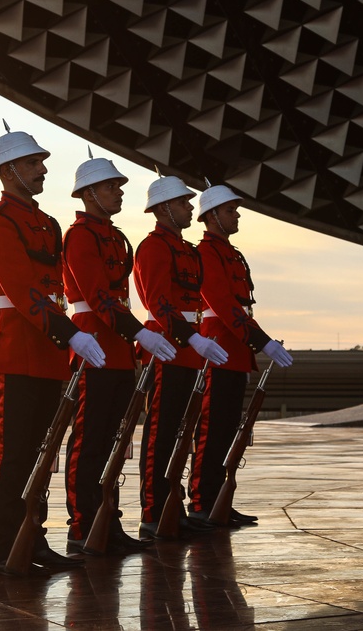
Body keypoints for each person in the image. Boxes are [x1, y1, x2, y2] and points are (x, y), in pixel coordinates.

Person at [0, 123, 107, 575]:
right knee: (10, 456)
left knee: (43, 453)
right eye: (33, 163)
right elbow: (21, 287)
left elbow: (51, 288)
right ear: (9, 170)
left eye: (40, 162)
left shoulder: (47, 223)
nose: (42, 169)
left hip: (49, 347)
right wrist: (70, 332)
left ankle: (32, 537)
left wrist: (64, 335)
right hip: (16, 343)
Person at [62, 151, 178, 553]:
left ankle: (107, 521)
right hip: (93, 344)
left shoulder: (113, 235)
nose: (119, 192)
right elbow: (96, 297)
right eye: (111, 186)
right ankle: (82, 526)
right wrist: (139, 333)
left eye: (117, 186)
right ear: (89, 193)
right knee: (89, 440)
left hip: (117, 348)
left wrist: (131, 338)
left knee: (115, 440)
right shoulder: (80, 235)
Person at [188, 184, 293, 526]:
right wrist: (261, 341)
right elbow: (222, 303)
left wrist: (255, 341)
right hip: (218, 348)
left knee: (229, 430)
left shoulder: (230, 253)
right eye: (231, 210)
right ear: (212, 216)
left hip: (233, 350)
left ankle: (220, 501)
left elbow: (241, 307)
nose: (237, 216)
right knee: (211, 430)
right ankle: (202, 503)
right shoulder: (206, 253)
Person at [132, 175, 229, 540]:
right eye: (183, 203)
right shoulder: (154, 247)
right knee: (160, 434)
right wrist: (191, 338)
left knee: (180, 434)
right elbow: (157, 302)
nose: (191, 208)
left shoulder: (185, 249)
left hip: (188, 349)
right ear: (162, 209)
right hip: (167, 346)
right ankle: (153, 512)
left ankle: (173, 503)